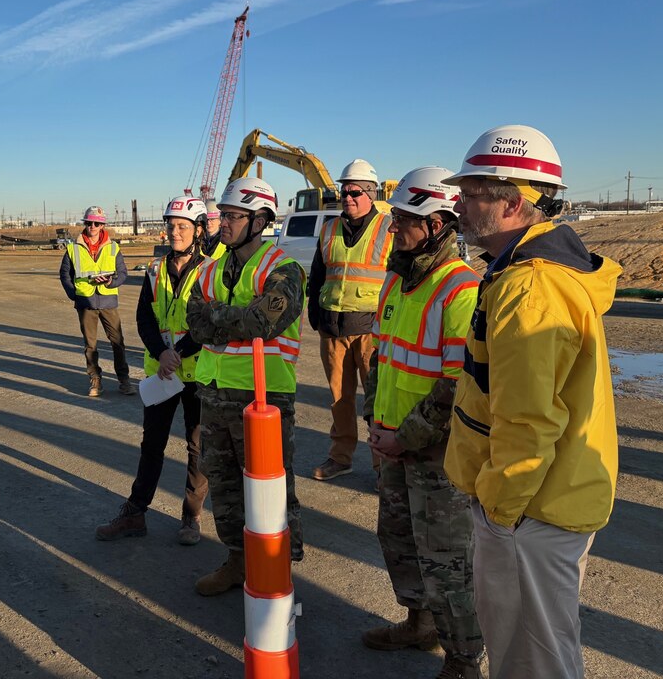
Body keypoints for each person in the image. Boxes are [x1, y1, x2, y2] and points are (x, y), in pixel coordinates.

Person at [442, 125, 620, 679]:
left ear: (513, 203)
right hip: (541, 503)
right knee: (541, 651)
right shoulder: (525, 276)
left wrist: (499, 511)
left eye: (471, 194)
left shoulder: (530, 289)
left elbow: (528, 421)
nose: (459, 205)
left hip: (528, 511)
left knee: (529, 661)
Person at [361, 167, 484, 679]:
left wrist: (402, 436)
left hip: (438, 454)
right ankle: (419, 624)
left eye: (403, 221)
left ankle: (463, 661)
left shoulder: (462, 289)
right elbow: (381, 356)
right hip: (393, 443)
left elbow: (457, 386)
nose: (392, 229)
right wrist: (374, 419)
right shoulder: (396, 279)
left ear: (436, 225)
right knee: (399, 541)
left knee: (447, 562)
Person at [186, 178, 305, 595]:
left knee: (270, 488)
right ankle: (237, 561)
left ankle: (277, 570)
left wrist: (217, 314)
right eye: (223, 215)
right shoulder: (209, 269)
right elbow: (195, 325)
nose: (224, 223)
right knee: (224, 485)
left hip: (263, 399)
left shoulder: (284, 270)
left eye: (234, 216)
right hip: (214, 393)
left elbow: (261, 323)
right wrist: (230, 317)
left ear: (259, 221)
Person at [95, 196, 211, 545]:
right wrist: (162, 353)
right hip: (163, 373)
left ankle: (191, 516)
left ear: (199, 230)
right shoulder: (155, 268)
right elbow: (144, 317)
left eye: (182, 226)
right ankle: (135, 513)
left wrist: (179, 352)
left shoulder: (211, 271)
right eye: (171, 225)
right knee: (152, 445)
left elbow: (209, 322)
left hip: (198, 373)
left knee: (197, 448)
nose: (174, 232)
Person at [307, 158, 394, 481]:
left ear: (370, 193)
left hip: (371, 329)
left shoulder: (389, 228)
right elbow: (318, 273)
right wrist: (314, 310)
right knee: (339, 400)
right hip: (333, 327)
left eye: (355, 192)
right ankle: (340, 457)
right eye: (344, 192)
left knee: (377, 402)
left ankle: (383, 466)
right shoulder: (329, 228)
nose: (347, 198)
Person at [59, 206, 135, 397]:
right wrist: (74, 294)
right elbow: (65, 274)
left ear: (102, 225)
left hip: (108, 301)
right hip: (85, 302)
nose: (92, 226)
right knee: (90, 345)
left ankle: (124, 379)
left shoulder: (113, 247)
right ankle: (95, 378)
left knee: (118, 342)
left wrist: (111, 282)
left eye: (96, 223)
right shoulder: (73, 248)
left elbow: (122, 272)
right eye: (89, 223)